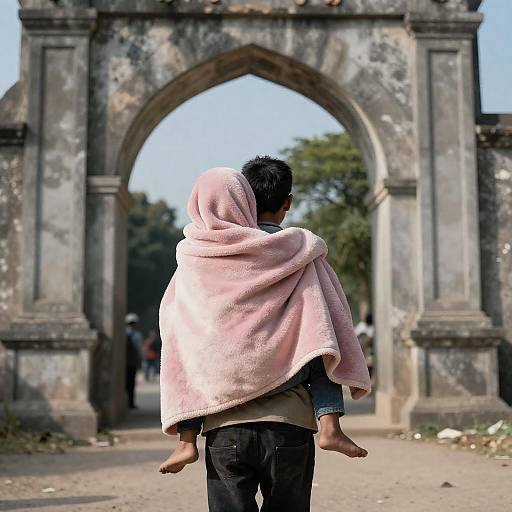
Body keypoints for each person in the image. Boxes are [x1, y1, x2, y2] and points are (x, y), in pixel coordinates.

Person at [159, 163, 371, 512]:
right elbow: (330, 323)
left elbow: (177, 340)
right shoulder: (298, 250)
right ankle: (330, 423)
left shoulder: (193, 261)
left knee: (188, 349)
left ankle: (186, 440)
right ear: (286, 202)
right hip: (289, 422)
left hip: (223, 423)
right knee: (317, 336)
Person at [125, 312, 144, 409]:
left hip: (124, 362)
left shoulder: (123, 333)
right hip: (132, 362)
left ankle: (125, 402)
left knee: (125, 383)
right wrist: (140, 360)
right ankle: (130, 403)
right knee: (131, 383)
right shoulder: (137, 335)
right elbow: (140, 350)